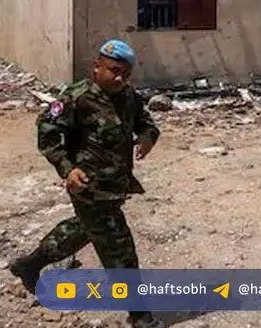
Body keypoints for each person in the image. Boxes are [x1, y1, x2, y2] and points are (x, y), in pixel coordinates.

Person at [8, 39, 163, 328]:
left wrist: (147, 137)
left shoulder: (129, 97)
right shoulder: (76, 97)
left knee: (84, 229)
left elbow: (145, 122)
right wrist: (67, 169)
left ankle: (30, 264)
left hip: (115, 185)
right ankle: (140, 314)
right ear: (96, 67)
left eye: (125, 74)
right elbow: (47, 130)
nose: (119, 78)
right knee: (119, 248)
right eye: (114, 71)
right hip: (88, 187)